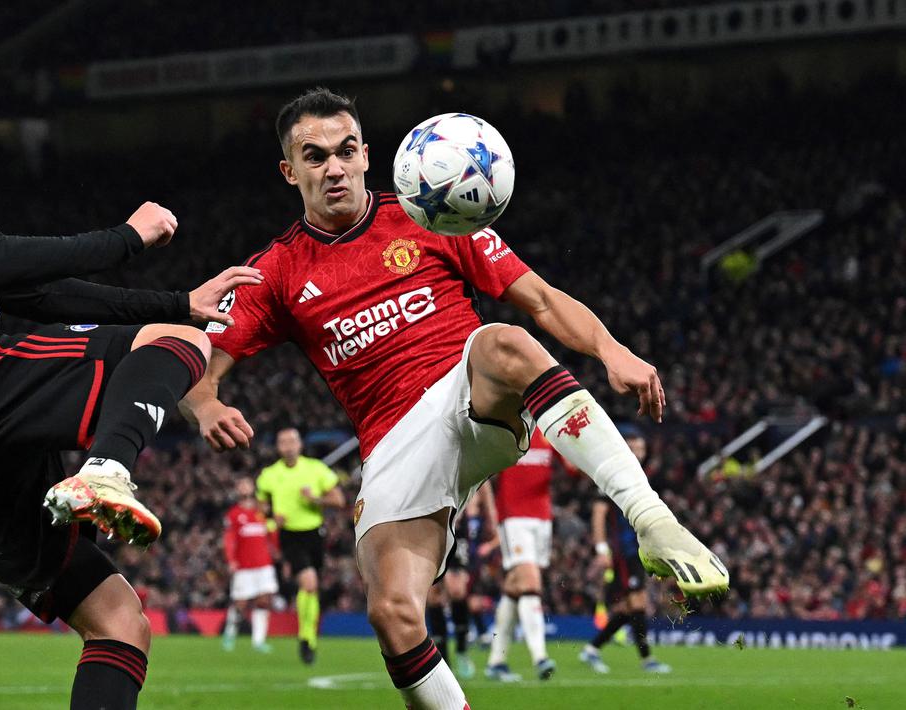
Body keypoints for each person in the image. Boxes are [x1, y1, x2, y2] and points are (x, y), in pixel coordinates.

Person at [178, 87, 727, 708]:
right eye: (314, 156)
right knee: (393, 614)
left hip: (469, 391)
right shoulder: (276, 271)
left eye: (345, 150)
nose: (333, 167)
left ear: (366, 156)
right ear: (290, 170)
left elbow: (542, 299)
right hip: (393, 443)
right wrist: (205, 404)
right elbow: (200, 363)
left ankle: (654, 520)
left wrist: (611, 350)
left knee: (503, 342)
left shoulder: (431, 216)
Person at [0, 17, 259, 710]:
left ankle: (103, 471)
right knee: (180, 347)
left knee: (119, 625)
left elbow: (28, 292)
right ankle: (106, 470)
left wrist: (179, 300)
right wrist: (128, 236)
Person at [579, 428, 673, 674]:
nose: (637, 452)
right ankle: (646, 659)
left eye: (640, 448)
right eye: (632, 448)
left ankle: (592, 649)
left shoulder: (640, 477)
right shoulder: (613, 475)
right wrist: (601, 549)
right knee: (637, 602)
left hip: (637, 550)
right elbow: (599, 514)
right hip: (622, 550)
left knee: (628, 608)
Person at [255, 427, 346, 664]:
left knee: (311, 588)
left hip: (314, 534)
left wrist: (315, 499)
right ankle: (306, 638)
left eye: (292, 441)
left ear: (299, 445)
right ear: (278, 447)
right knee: (308, 582)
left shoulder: (316, 469)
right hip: (289, 535)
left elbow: (338, 499)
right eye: (283, 441)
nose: (288, 445)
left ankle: (309, 635)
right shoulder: (269, 475)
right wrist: (272, 517)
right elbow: (261, 506)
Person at [486, 429, 561, 682]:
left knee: (514, 588)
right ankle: (540, 657)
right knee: (530, 582)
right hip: (513, 517)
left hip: (542, 518)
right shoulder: (508, 424)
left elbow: (573, 468)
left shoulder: (550, 430)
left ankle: (496, 661)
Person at [425, 483, 494, 680]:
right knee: (433, 597)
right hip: (431, 527)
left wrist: (490, 518)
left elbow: (485, 493)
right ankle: (443, 660)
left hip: (457, 531)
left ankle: (462, 650)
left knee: (456, 590)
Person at [221, 477, 278, 653]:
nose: (245, 487)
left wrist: (275, 550)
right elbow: (229, 539)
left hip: (264, 564)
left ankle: (259, 641)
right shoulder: (234, 514)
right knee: (241, 603)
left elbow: (271, 533)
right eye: (241, 484)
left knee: (264, 600)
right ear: (237, 489)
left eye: (247, 483)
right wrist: (230, 559)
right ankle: (230, 634)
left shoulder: (262, 511)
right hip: (244, 566)